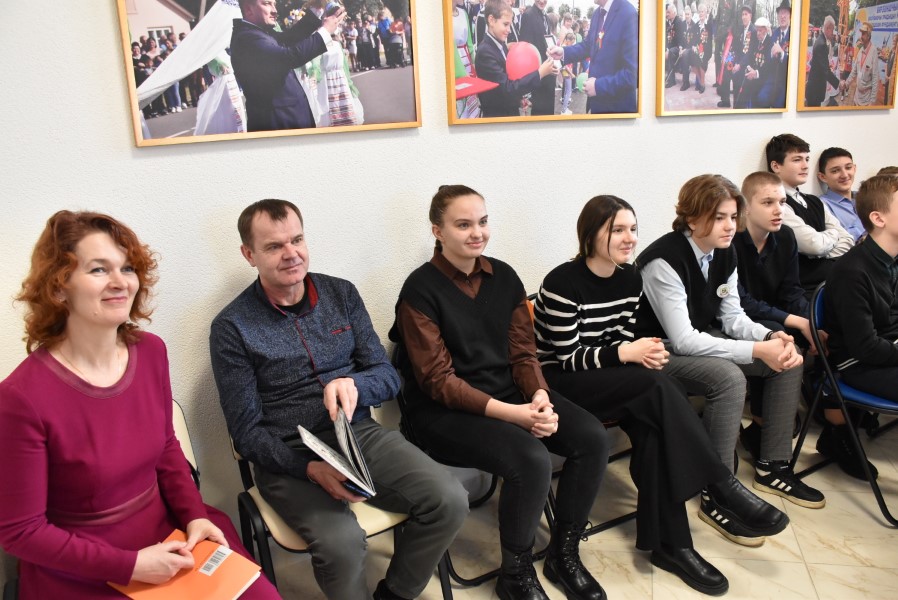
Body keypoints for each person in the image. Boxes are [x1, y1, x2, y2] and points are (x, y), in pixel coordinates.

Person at [0, 211, 279, 599]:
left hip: (168, 534)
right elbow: (20, 532)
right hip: (83, 566)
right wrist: (129, 566)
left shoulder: (150, 352)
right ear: (59, 287)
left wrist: (194, 515)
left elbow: (166, 448)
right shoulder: (20, 398)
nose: (120, 282)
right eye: (99, 269)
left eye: (127, 267)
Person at [209, 200, 468, 600]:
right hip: (287, 454)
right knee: (341, 543)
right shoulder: (232, 327)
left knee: (449, 500)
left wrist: (355, 385)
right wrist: (309, 469)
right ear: (249, 254)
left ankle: (395, 594)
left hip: (357, 433)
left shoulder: (341, 294)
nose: (291, 253)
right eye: (274, 246)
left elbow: (388, 376)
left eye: (297, 239)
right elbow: (246, 433)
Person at [535, 196, 789, 593]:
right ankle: (719, 484)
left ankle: (672, 545)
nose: (629, 238)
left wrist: (641, 354)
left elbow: (619, 340)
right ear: (590, 235)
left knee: (657, 424)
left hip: (605, 378)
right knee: (657, 386)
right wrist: (627, 354)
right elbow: (566, 359)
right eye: (617, 230)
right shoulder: (561, 283)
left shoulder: (629, 279)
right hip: (558, 383)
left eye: (633, 229)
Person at [390, 185, 608, 600]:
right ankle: (515, 574)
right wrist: (516, 415)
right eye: (463, 224)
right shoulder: (419, 291)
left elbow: (523, 353)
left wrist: (539, 396)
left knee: (592, 438)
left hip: (509, 393)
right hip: (442, 413)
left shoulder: (504, 277)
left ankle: (563, 553)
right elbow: (438, 381)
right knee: (531, 458)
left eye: (483, 221)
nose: (477, 233)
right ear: (437, 231)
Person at [636, 174, 826, 512]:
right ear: (692, 219)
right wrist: (756, 349)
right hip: (655, 351)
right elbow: (683, 340)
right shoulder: (663, 261)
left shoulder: (725, 252)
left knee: (787, 356)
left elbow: (732, 317)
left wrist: (769, 337)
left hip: (697, 340)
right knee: (728, 377)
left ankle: (773, 466)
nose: (729, 226)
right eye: (719, 217)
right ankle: (718, 488)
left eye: (733, 217)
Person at [823, 175, 898, 475]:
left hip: (888, 352)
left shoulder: (892, 259)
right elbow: (864, 347)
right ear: (878, 219)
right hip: (859, 364)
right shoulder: (852, 271)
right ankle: (837, 438)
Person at [230, 0, 345, 132]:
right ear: (248, 10)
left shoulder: (258, 31)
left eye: (274, 4)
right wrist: (325, 31)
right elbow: (289, 56)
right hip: (277, 123)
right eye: (267, 4)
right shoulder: (247, 38)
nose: (275, 10)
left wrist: (317, 8)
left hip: (285, 118)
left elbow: (288, 38)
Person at [766, 134, 854, 296]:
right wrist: (831, 236)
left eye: (807, 159)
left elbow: (848, 240)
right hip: (805, 291)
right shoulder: (776, 204)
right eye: (797, 160)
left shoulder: (815, 201)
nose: (805, 166)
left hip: (835, 281)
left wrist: (820, 253)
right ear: (776, 166)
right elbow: (813, 245)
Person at [546, 0, 638, 114]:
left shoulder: (628, 13)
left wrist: (598, 86)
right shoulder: (597, 14)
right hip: (596, 106)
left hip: (616, 111)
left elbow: (632, 75)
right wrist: (563, 52)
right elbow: (588, 45)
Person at [475, 0, 557, 118]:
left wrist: (518, 100)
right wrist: (539, 73)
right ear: (491, 20)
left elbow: (504, 86)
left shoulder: (500, 45)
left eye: (510, 24)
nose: (509, 30)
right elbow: (507, 88)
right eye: (505, 24)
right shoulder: (485, 52)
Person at [519, 0, 557, 115]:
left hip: (549, 72)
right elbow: (525, 48)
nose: (542, 1)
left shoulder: (546, 17)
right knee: (540, 114)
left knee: (549, 113)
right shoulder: (528, 15)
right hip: (538, 76)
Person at [818, 147, 864, 242]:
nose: (844, 175)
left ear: (854, 168)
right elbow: (839, 239)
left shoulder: (866, 197)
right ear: (823, 177)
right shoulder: (822, 205)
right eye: (835, 171)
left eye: (848, 168)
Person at [718, 5, 755, 108]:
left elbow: (749, 53)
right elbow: (738, 48)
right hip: (736, 59)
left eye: (746, 14)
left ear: (750, 16)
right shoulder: (742, 29)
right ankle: (726, 100)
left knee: (736, 77)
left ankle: (737, 106)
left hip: (746, 66)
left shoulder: (753, 31)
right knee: (726, 68)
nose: (743, 17)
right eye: (742, 15)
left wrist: (739, 65)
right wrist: (731, 60)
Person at [736, 16, 775, 108]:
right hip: (752, 74)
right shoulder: (755, 39)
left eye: (760, 31)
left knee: (759, 99)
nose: (758, 33)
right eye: (757, 30)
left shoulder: (770, 43)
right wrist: (748, 67)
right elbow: (750, 55)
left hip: (763, 79)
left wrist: (756, 73)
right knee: (740, 90)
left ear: (766, 30)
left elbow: (769, 66)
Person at [805, 15, 840, 107]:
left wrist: (825, 66)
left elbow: (816, 63)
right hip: (815, 92)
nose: (833, 33)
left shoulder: (821, 40)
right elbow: (826, 72)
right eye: (832, 29)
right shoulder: (822, 44)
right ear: (827, 28)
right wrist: (839, 83)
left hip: (814, 90)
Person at [841, 22, 880, 106]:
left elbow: (875, 79)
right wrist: (846, 84)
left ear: (868, 36)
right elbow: (854, 72)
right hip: (857, 96)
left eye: (863, 34)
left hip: (866, 100)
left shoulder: (874, 52)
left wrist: (872, 102)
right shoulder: (860, 50)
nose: (860, 36)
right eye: (861, 33)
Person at [769, 0, 791, 108]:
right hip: (773, 79)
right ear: (777, 16)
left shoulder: (794, 34)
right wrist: (771, 54)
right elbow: (768, 58)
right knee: (760, 98)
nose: (782, 16)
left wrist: (782, 53)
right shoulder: (774, 34)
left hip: (787, 82)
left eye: (785, 13)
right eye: (780, 13)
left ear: (790, 16)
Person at [689, 3, 712, 94]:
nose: (701, 14)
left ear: (706, 13)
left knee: (702, 58)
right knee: (692, 61)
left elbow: (709, 42)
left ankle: (702, 83)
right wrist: (693, 46)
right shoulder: (696, 26)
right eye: (700, 12)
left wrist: (703, 50)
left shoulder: (708, 25)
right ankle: (700, 80)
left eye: (702, 12)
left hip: (706, 50)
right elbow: (693, 40)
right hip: (697, 49)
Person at [663, 4, 685, 90]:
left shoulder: (679, 22)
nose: (667, 14)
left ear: (674, 13)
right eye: (666, 12)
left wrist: (678, 48)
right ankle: (667, 75)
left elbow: (680, 39)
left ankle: (672, 80)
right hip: (670, 47)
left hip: (678, 47)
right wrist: (666, 48)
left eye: (668, 12)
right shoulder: (668, 22)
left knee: (671, 52)